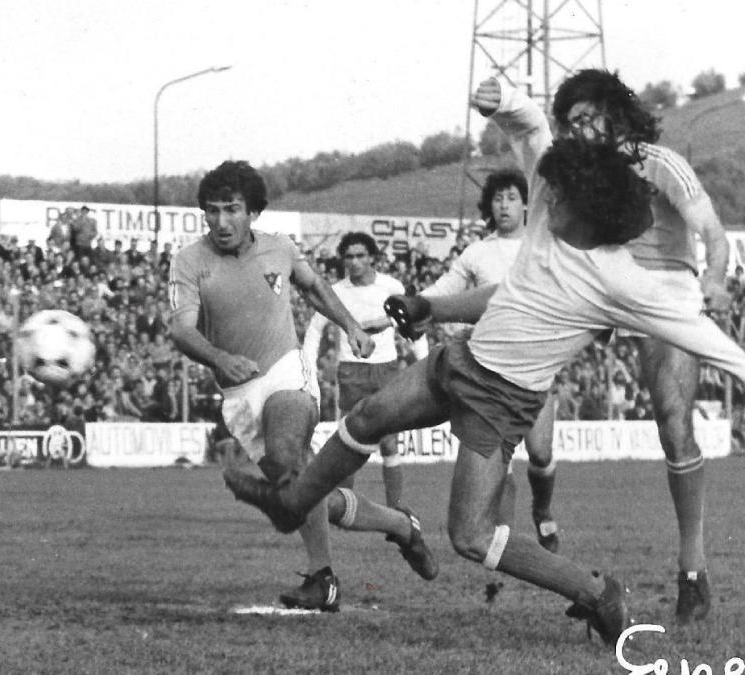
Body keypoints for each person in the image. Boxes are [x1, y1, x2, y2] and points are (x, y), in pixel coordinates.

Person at [223, 76, 745, 645]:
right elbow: (530, 142)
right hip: (460, 360)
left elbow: (711, 342)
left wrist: (714, 286)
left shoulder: (623, 284)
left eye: (562, 200)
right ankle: (290, 505)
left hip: (500, 401)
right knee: (369, 416)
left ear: (596, 221)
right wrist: (504, 103)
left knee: (470, 536)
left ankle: (597, 591)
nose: (546, 202)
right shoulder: (553, 202)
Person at [170, 160, 437, 613]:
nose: (220, 221)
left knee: (289, 456)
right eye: (211, 211)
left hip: (287, 375)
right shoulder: (189, 261)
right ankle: (402, 525)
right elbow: (181, 329)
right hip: (238, 394)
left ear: (252, 211)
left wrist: (351, 326)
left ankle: (322, 579)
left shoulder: (278, 248)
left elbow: (314, 288)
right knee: (309, 494)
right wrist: (218, 358)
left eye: (231, 209)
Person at [550, 69, 731, 624]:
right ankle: (541, 537)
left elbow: (714, 234)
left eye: (587, 117)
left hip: (666, 292)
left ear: (614, 114)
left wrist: (717, 279)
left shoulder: (660, 161)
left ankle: (692, 570)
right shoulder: (579, 175)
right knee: (522, 387)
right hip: (600, 288)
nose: (579, 130)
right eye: (570, 122)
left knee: (673, 424)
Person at [419, 168, 561, 552]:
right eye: (498, 198)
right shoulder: (477, 253)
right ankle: (503, 538)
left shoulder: (543, 247)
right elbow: (443, 290)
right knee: (502, 457)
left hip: (536, 364)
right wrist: (415, 305)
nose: (504, 205)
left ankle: (543, 510)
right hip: (491, 370)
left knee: (542, 453)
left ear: (527, 203)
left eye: (512, 197)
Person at [301, 232, 426, 509]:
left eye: (360, 256)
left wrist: (424, 361)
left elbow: (413, 323)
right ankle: (347, 508)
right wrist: (309, 371)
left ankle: (398, 509)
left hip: (386, 370)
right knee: (349, 441)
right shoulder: (337, 291)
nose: (355, 262)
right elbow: (314, 330)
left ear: (372, 258)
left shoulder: (390, 286)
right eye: (349, 257)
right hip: (352, 371)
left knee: (390, 442)